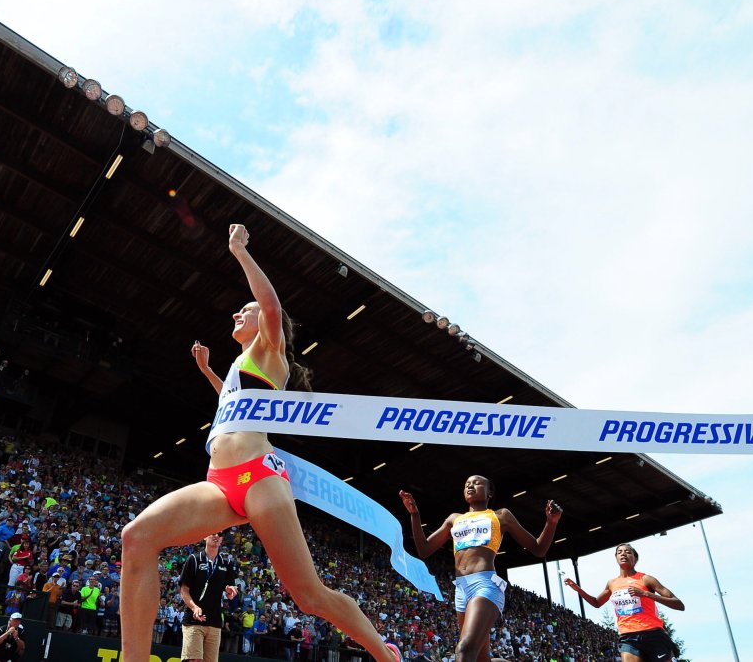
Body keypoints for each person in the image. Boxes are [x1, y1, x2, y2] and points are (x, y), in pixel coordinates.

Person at [121, 224, 401, 662]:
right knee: (136, 537)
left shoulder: (271, 350)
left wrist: (239, 252)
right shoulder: (242, 366)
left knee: (309, 596)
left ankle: (387, 656)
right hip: (218, 482)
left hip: (259, 478)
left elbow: (271, 304)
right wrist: (212, 375)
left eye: (243, 311)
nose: (237, 314)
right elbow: (234, 410)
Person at [400, 478, 561, 662]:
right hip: (460, 590)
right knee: (480, 659)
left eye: (477, 483)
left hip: (485, 585)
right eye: (467, 483)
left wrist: (551, 523)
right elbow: (424, 549)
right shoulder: (454, 519)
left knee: (464, 650)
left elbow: (538, 548)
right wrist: (414, 515)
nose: (470, 485)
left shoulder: (501, 516)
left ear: (489, 492)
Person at [563, 543, 684, 661]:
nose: (623, 554)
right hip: (628, 637)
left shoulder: (646, 579)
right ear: (616, 558)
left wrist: (646, 594)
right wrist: (578, 589)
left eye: (628, 552)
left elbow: (678, 604)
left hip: (653, 634)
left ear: (635, 558)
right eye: (619, 552)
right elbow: (596, 603)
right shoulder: (612, 583)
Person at [179, 533, 240, 662]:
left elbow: (230, 591)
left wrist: (230, 591)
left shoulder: (227, 563)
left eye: (220, 534)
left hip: (215, 622)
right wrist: (194, 608)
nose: (217, 536)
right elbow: (184, 590)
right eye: (213, 533)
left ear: (222, 539)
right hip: (194, 620)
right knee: (194, 660)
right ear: (205, 536)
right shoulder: (194, 559)